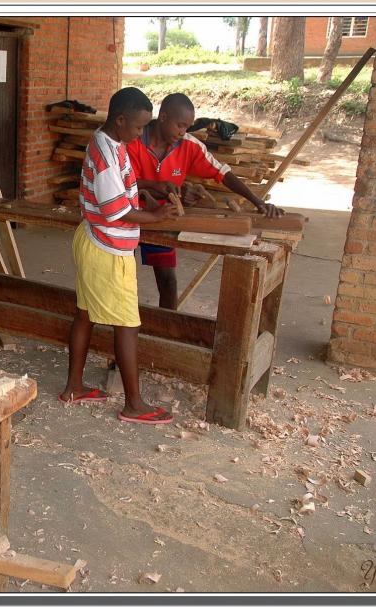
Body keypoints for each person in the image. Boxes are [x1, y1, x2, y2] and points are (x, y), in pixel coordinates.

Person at [58, 87, 178, 425]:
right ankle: (134, 405)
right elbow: (115, 211)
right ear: (121, 120)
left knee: (85, 314)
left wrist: (149, 187)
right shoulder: (106, 153)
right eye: (139, 127)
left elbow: (122, 185)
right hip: (107, 249)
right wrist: (156, 216)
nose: (141, 133)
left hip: (96, 241)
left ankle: (73, 388)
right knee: (127, 325)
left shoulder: (110, 142)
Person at [127, 92, 283, 309]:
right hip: (127, 217)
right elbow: (121, 184)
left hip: (161, 220)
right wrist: (155, 186)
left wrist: (257, 201)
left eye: (187, 127)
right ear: (163, 117)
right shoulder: (132, 140)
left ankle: (170, 325)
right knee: (123, 278)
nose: (182, 132)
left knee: (168, 280)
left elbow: (222, 173)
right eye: (179, 125)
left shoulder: (188, 145)